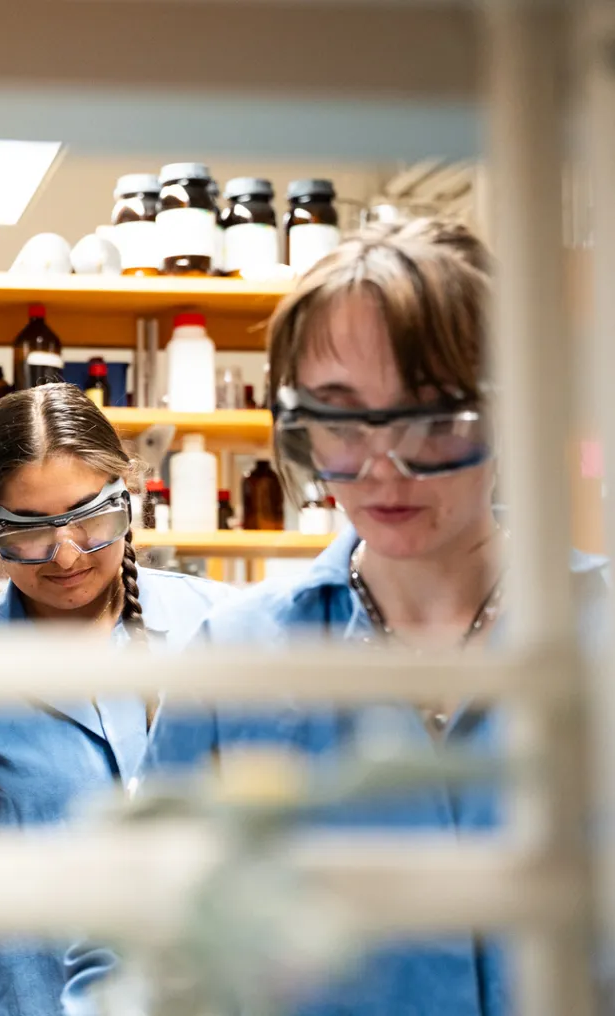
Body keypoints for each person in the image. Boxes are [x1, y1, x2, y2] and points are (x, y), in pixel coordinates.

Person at [135, 218, 608, 1016]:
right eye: (341, 419)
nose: (383, 467)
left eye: (431, 417)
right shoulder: (237, 658)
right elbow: (148, 940)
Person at [0, 383, 230, 1016]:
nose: (65, 555)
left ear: (128, 495)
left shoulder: (225, 635)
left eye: (91, 519)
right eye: (28, 532)